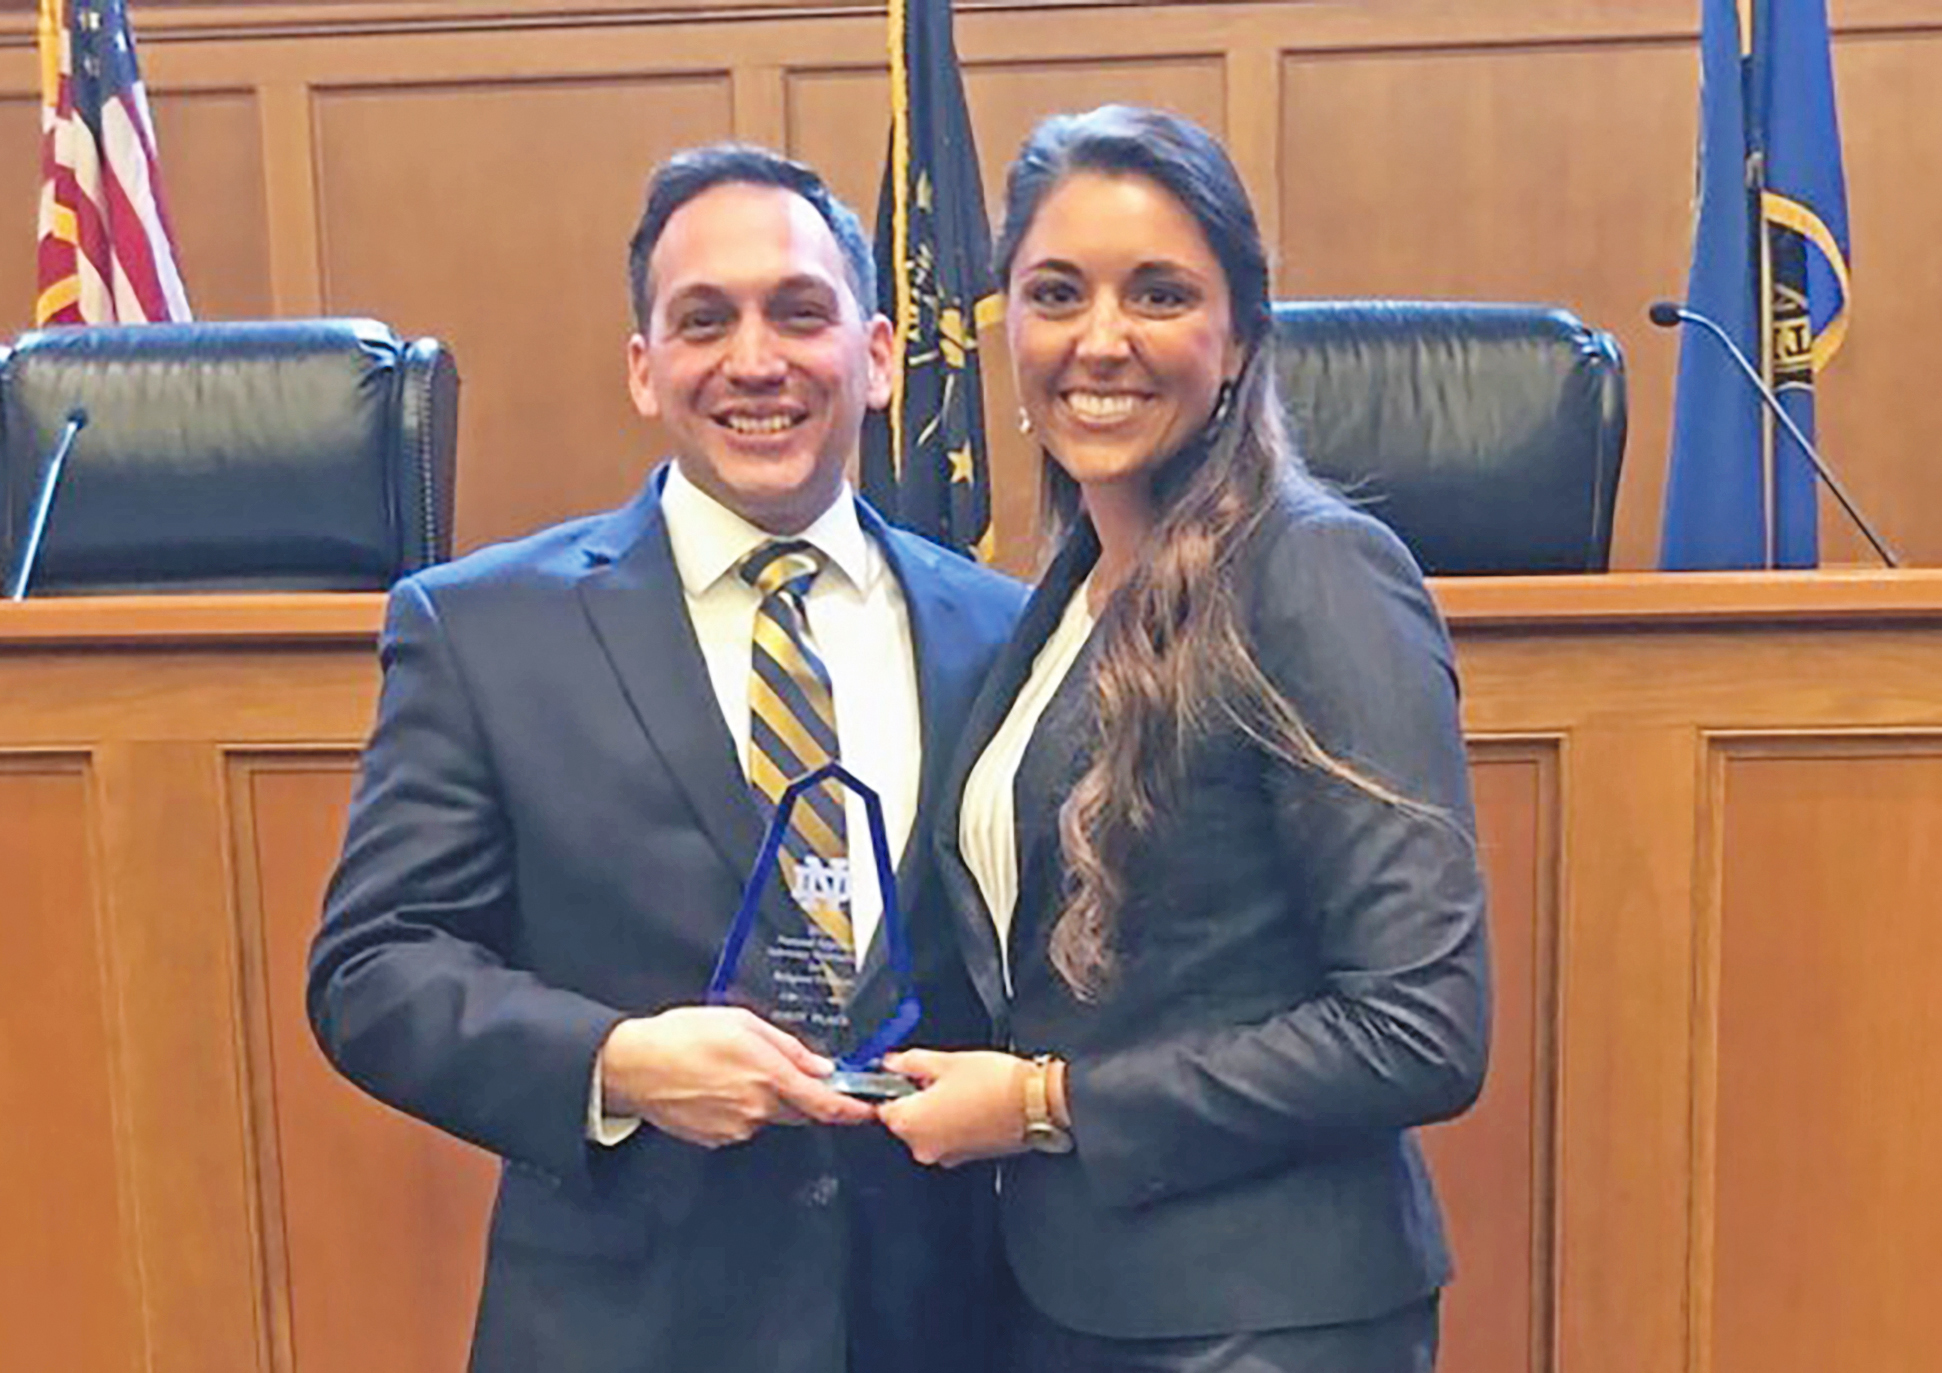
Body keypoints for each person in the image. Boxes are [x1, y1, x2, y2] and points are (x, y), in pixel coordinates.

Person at [307, 144, 1025, 1373]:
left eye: (800, 313)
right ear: (645, 369)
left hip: (948, 1323)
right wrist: (614, 1063)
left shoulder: (1005, 630)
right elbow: (372, 968)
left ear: (878, 355)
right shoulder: (483, 629)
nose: (756, 359)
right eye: (705, 320)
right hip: (624, 1327)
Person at [875, 105, 1491, 1372]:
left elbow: (1422, 1023)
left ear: (1239, 337)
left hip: (1261, 1318)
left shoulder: (1316, 573)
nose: (1099, 341)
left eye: (1157, 293)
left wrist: (1048, 1105)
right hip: (1067, 1299)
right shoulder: (1055, 599)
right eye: (1055, 293)